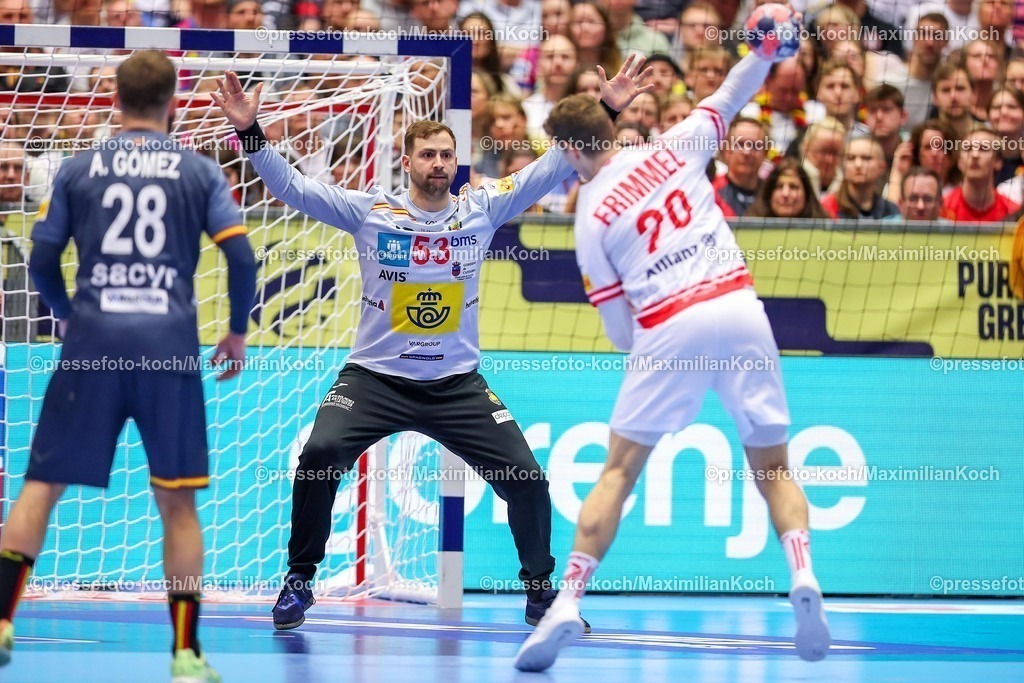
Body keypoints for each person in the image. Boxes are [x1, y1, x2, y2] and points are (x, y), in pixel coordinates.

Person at [211, 55, 654, 633]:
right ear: (408, 161)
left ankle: (541, 595)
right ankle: (299, 582)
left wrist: (608, 107)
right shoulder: (371, 211)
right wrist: (249, 131)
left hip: (456, 386)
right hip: (374, 380)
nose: (440, 163)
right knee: (318, 460)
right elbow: (290, 186)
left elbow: (555, 166)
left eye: (447, 154)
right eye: (428, 154)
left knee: (527, 479)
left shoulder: (482, 208)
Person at [515, 48, 831, 672]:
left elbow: (618, 329)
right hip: (739, 306)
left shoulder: (589, 215)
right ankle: (803, 571)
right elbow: (734, 93)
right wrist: (765, 48)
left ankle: (565, 603)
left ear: (572, 153)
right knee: (773, 466)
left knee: (617, 472)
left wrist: (661, 362)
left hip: (668, 324)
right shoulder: (674, 145)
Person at [0, 50, 257, 683]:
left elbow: (41, 257)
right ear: (173, 101)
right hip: (168, 347)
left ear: (113, 98)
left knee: (41, 485)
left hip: (92, 342)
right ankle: (185, 652)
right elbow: (244, 259)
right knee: (177, 503)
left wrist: (64, 315)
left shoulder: (76, 168)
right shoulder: (199, 171)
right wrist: (235, 332)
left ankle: (2, 620)